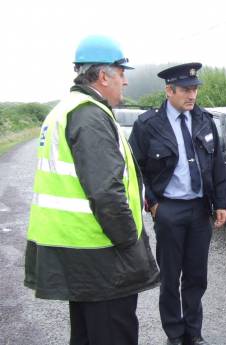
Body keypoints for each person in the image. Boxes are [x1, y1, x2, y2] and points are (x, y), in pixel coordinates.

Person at [24, 35, 160, 345]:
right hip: (101, 256)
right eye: (122, 73)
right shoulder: (90, 115)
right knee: (113, 335)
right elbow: (105, 192)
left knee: (87, 335)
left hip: (80, 252)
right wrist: (129, 243)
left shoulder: (68, 109)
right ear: (103, 76)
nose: (125, 82)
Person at [128, 62, 226, 345]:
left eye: (195, 88)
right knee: (170, 278)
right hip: (168, 209)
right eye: (186, 89)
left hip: (200, 209)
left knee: (197, 277)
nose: (192, 95)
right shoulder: (148, 125)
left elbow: (218, 165)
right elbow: (135, 169)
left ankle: (193, 333)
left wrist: (221, 203)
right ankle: (174, 334)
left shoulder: (204, 120)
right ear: (169, 90)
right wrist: (152, 203)